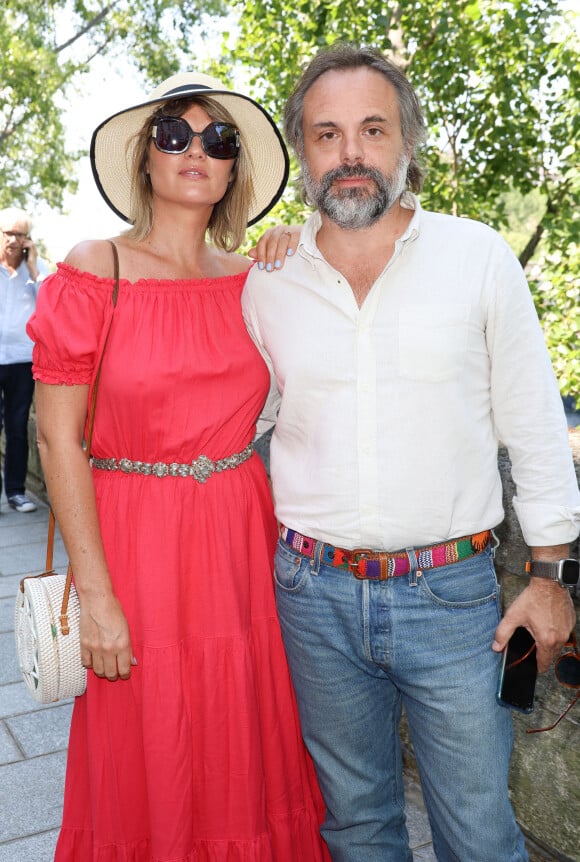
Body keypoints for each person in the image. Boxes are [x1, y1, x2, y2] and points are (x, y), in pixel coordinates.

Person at [242, 44, 580, 861]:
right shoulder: (265, 285)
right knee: (355, 825)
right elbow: (242, 422)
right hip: (311, 596)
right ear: (302, 150)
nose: (350, 153)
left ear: (406, 143)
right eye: (327, 134)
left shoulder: (478, 259)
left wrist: (551, 580)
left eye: (372, 130)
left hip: (459, 604)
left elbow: (534, 426)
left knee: (478, 831)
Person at [26, 71, 330, 862]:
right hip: (132, 542)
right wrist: (95, 598)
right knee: (147, 731)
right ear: (145, 160)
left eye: (217, 139)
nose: (196, 150)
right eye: (174, 134)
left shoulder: (260, 280)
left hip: (239, 540)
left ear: (235, 170)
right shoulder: (96, 270)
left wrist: (301, 241)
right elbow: (59, 441)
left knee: (244, 727)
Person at [0, 207, 48, 513]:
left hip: (22, 359)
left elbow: (51, 304)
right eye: (9, 233)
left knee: (17, 426)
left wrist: (32, 266)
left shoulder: (36, 268)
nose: (14, 240)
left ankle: (16, 492)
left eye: (20, 234)